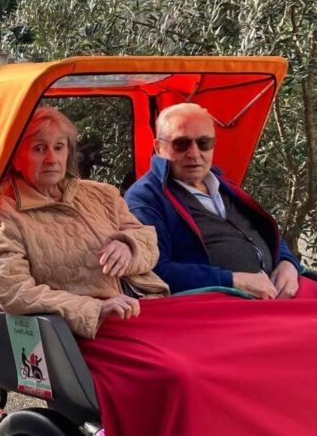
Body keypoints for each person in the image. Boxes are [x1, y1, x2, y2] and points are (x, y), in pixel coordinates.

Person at [0, 106, 170, 347]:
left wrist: (128, 245)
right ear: (16, 158)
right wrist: (94, 309)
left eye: (59, 147)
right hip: (87, 333)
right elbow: (13, 291)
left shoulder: (102, 194)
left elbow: (147, 239)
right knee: (183, 372)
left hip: (150, 306)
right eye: (39, 149)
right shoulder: (6, 217)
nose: (51, 158)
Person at [124, 103, 301, 299]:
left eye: (204, 143)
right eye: (181, 144)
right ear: (158, 147)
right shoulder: (146, 197)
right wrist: (232, 280)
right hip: (216, 305)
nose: (194, 153)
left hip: (276, 290)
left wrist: (287, 263)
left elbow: (262, 231)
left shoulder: (223, 184)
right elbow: (153, 270)